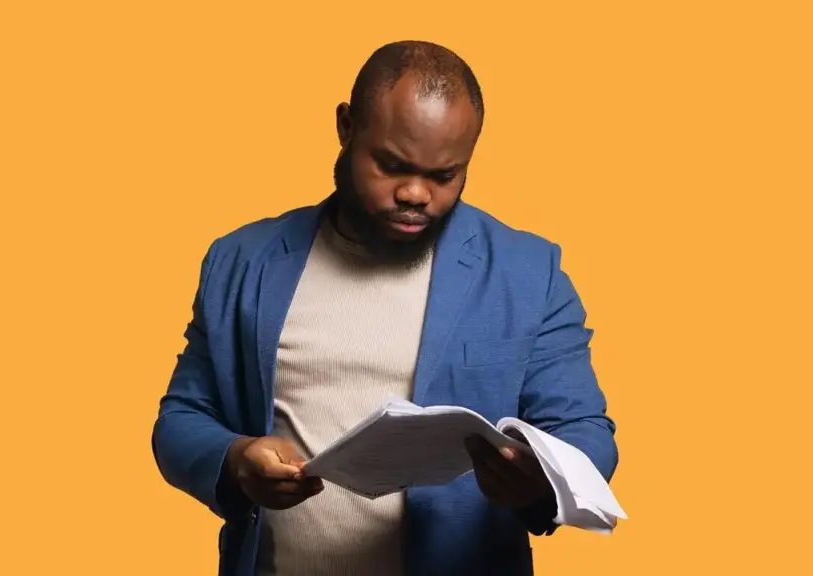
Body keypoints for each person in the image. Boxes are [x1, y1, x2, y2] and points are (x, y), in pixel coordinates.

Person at [151, 40, 618, 576]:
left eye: (444, 175)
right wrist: (235, 460)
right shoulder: (240, 260)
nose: (416, 193)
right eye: (392, 166)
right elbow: (181, 419)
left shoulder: (528, 271)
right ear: (346, 127)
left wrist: (541, 478)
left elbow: (586, 431)